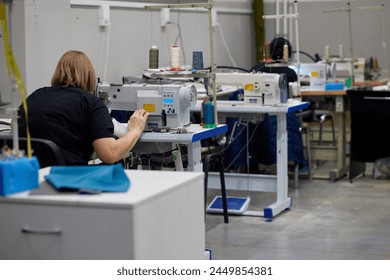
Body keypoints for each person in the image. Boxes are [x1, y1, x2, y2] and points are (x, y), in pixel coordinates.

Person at [17, 50, 149, 165]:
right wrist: (135, 130)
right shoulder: (90, 103)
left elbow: (15, 123)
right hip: (71, 181)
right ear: (89, 76)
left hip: (33, 178)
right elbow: (110, 154)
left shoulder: (34, 97)